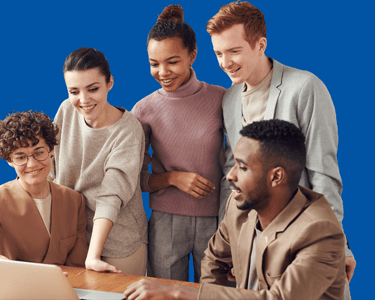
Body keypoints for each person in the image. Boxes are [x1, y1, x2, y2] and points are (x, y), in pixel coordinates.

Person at [208, 1, 356, 281]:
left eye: (234, 51)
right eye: (218, 53)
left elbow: (324, 174)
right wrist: (230, 247)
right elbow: (233, 177)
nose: (225, 62)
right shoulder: (229, 99)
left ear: (260, 44)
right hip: (252, 242)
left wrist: (337, 245)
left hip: (302, 235)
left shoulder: (304, 87)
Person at [124, 119, 347, 299]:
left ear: (276, 176)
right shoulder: (239, 206)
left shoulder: (320, 232)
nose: (230, 176)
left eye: (242, 167)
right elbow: (214, 260)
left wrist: (181, 291)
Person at [131, 4, 225, 282]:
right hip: (164, 223)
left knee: (218, 293)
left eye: (172, 61)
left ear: (192, 55)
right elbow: (134, 180)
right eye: (153, 63)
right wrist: (172, 178)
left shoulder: (223, 99)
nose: (163, 71)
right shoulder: (143, 110)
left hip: (218, 221)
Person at [51, 47, 148, 276]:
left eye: (93, 89)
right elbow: (50, 169)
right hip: (73, 235)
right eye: (74, 91)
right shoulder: (66, 111)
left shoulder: (128, 130)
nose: (83, 100)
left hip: (119, 240)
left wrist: (93, 255)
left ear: (110, 83)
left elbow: (112, 194)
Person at [0, 111, 88, 267]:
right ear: (9, 160)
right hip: (15, 288)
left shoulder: (74, 201)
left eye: (39, 152)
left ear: (51, 150)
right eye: (21, 157)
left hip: (67, 287)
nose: (32, 164)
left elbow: (78, 264)